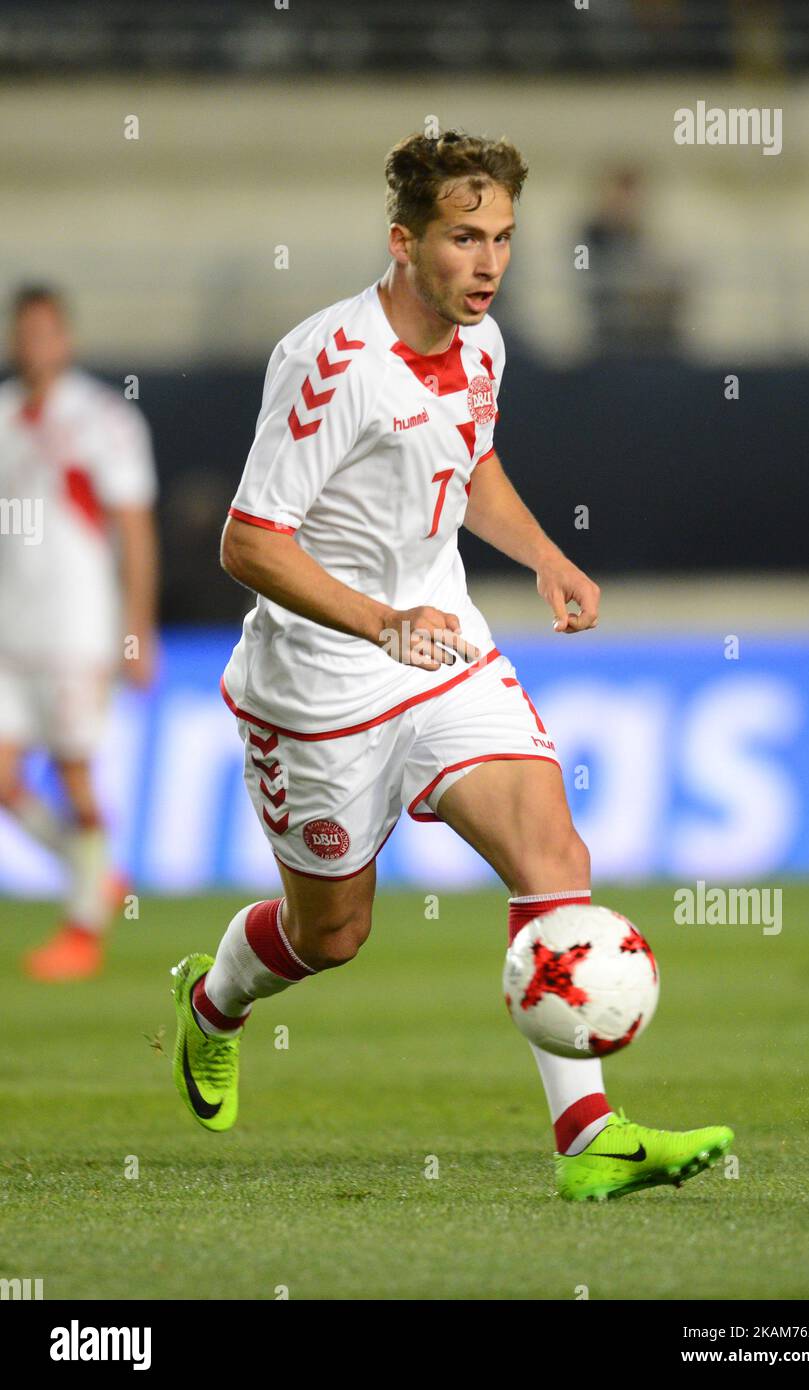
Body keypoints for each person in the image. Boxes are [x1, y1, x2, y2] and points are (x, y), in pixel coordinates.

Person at [170, 131, 732, 1201]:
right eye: (463, 238)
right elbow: (248, 540)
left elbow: (466, 465)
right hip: (319, 688)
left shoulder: (483, 346)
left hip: (444, 650)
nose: (487, 263)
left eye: (504, 239)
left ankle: (587, 1138)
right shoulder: (326, 363)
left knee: (550, 849)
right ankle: (211, 1003)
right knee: (329, 933)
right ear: (403, 242)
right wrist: (378, 622)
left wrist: (544, 554)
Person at [0, 287, 159, 980]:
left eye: (44, 333)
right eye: (22, 333)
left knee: (72, 772)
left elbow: (133, 527)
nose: (32, 345)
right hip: (11, 627)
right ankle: (91, 873)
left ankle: (83, 931)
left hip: (76, 626)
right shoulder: (3, 416)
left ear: (64, 340)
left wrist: (136, 628)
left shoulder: (102, 419)